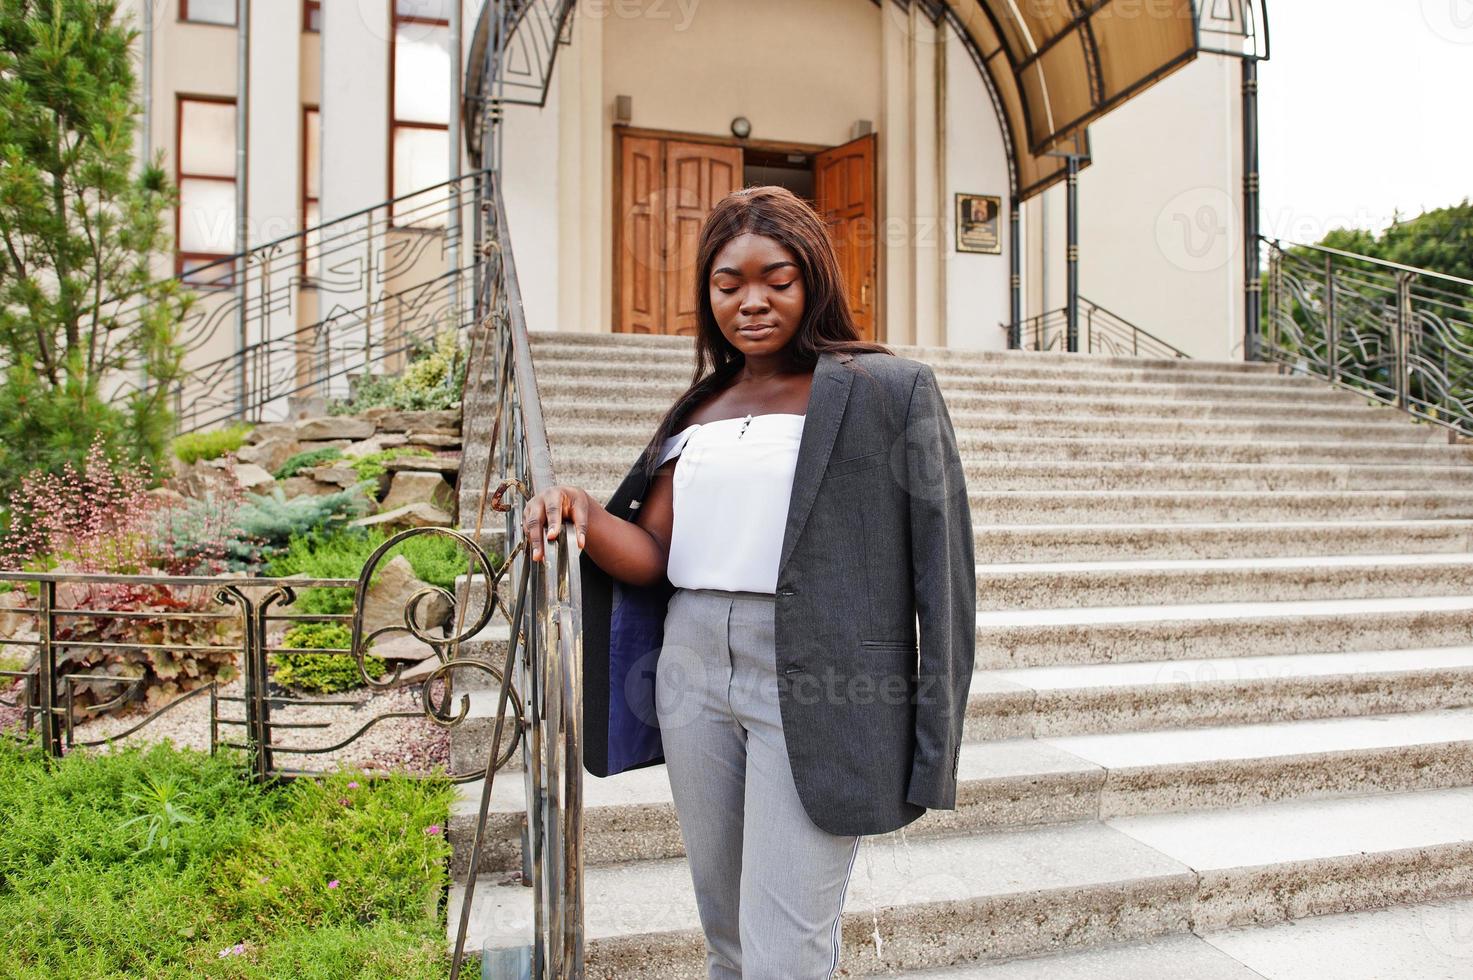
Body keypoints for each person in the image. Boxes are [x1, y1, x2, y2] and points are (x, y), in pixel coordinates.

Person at [522, 185, 976, 980]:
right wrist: (583, 511)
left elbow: (944, 576)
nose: (751, 302)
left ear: (814, 282)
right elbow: (656, 556)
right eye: (727, 285)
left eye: (777, 279)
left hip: (821, 679)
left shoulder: (884, 391)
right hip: (692, 669)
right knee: (727, 935)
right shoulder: (701, 407)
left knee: (786, 951)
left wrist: (933, 742)